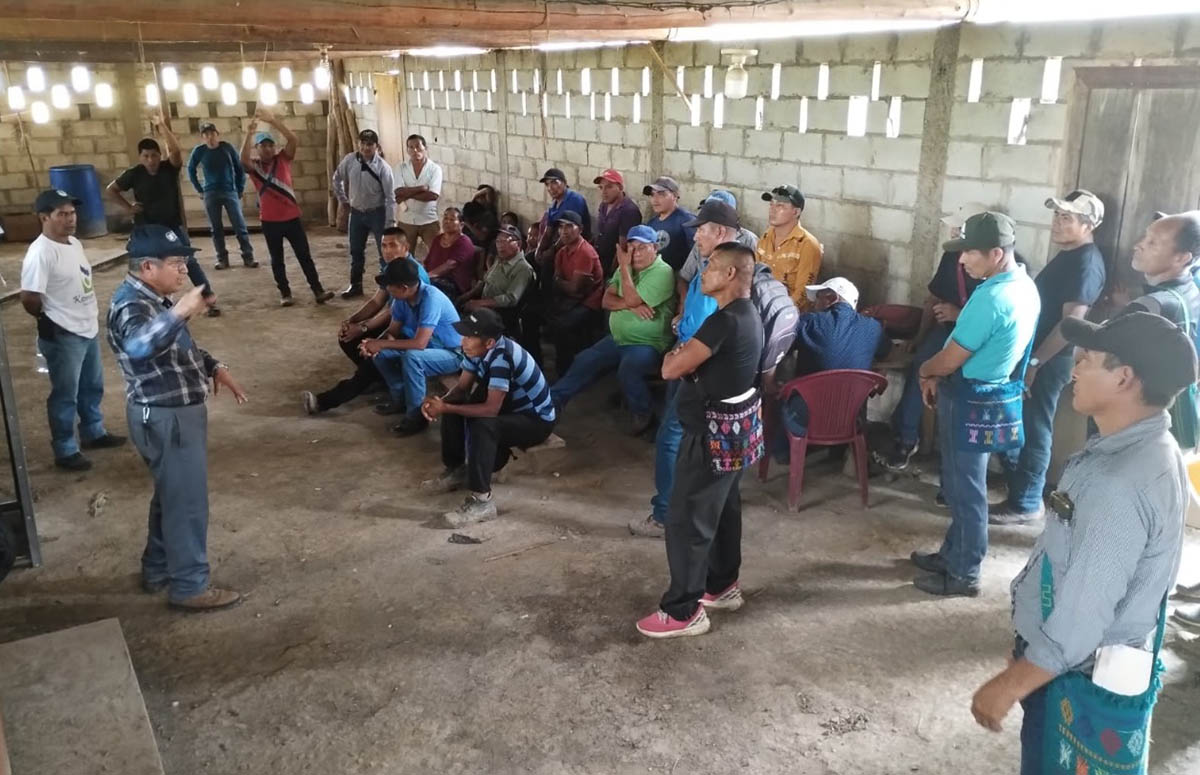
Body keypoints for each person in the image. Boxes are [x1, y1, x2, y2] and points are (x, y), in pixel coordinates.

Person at [970, 312, 1195, 775]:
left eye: (1087, 360)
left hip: (1073, 674)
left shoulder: (1119, 482)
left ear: (1124, 378)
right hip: (1077, 661)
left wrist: (1014, 681)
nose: (1074, 370)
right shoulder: (1153, 449)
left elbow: (1085, 610)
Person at [108, 224, 249, 612]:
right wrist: (182, 311)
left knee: (171, 496)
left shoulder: (153, 298)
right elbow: (140, 346)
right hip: (166, 417)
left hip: (172, 414)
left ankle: (157, 569)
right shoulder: (132, 305)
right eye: (176, 263)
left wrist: (212, 365)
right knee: (186, 504)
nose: (184, 270)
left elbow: (177, 347)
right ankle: (189, 586)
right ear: (147, 267)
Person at [635, 243, 764, 639]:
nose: (702, 274)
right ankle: (722, 585)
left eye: (710, 267)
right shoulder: (748, 314)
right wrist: (690, 361)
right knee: (722, 509)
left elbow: (670, 367)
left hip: (711, 435)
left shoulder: (721, 322)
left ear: (730, 274)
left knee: (687, 518)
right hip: (736, 430)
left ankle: (684, 609)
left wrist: (681, 357)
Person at [911, 212, 1039, 597]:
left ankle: (964, 573)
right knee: (962, 485)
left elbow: (951, 358)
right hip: (992, 392)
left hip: (968, 395)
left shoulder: (991, 297)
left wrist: (925, 371)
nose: (963, 260)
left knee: (964, 490)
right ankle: (952, 554)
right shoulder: (1024, 286)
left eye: (969, 253)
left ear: (996, 253)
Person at [631, 199, 757, 538]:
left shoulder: (723, 289)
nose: (696, 236)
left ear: (720, 232)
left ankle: (665, 515)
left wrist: (679, 353)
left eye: (701, 230)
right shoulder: (715, 271)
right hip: (696, 360)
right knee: (685, 443)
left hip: (696, 371)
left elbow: (682, 357)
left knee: (671, 438)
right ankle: (684, 513)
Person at [992, 190, 1107, 525]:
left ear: (1089, 225)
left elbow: (1071, 324)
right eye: (1056, 215)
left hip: (1051, 359)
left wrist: (1035, 362)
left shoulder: (1086, 263)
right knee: (1024, 423)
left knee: (1034, 426)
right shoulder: (1070, 255)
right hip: (1039, 355)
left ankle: (1026, 502)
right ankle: (1021, 492)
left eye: (1066, 218)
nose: (1057, 223)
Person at [879, 202, 991, 472]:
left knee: (956, 383)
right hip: (947, 329)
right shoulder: (952, 256)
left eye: (958, 229)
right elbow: (933, 298)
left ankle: (948, 463)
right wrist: (919, 337)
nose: (952, 233)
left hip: (976, 337)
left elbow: (989, 319)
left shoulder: (993, 266)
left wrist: (958, 314)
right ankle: (906, 438)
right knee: (921, 364)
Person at [19, 189, 126, 471]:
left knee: (91, 386)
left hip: (86, 328)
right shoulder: (41, 253)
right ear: (44, 217)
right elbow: (29, 297)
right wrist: (49, 318)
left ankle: (93, 432)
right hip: (63, 332)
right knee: (65, 393)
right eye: (62, 214)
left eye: (73, 213)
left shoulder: (74, 243)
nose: (70, 219)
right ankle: (65, 449)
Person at [420, 308, 557, 526]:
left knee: (484, 426)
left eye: (469, 337)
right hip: (509, 406)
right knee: (455, 404)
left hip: (535, 420)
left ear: (490, 342)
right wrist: (439, 403)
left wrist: (445, 407)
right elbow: (461, 389)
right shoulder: (476, 351)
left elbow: (491, 410)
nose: (463, 341)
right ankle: (457, 470)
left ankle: (482, 502)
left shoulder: (503, 357)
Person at [550, 225, 676, 434]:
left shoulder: (662, 272)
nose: (635, 253)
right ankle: (551, 402)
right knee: (584, 360)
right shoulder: (626, 268)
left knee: (629, 369)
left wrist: (625, 270)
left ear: (655, 248)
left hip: (647, 343)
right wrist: (631, 305)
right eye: (631, 248)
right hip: (617, 338)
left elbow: (630, 298)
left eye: (642, 247)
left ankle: (643, 413)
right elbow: (606, 301)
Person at [301, 229, 429, 415]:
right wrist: (352, 321)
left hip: (412, 330)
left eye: (393, 245)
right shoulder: (391, 267)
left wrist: (365, 330)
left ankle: (323, 402)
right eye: (384, 245)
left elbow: (392, 313)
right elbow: (377, 301)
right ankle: (379, 377)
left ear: (406, 247)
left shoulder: (412, 273)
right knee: (349, 338)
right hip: (397, 324)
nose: (387, 250)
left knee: (373, 355)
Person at [107, 110, 220, 317]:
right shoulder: (134, 174)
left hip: (171, 225)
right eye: (146, 156)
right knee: (147, 266)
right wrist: (128, 207)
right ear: (140, 157)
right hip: (146, 229)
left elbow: (176, 151)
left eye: (154, 155)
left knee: (188, 261)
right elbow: (111, 190)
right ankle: (151, 304)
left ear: (160, 156)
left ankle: (207, 297)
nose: (150, 160)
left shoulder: (169, 168)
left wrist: (161, 126)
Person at [240, 108, 334, 307]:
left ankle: (318, 290)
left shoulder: (282, 159)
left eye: (270, 145)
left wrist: (273, 121)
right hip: (270, 221)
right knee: (277, 259)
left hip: (292, 218)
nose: (267, 149)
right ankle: (285, 293)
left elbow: (293, 139)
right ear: (257, 148)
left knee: (304, 256)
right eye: (263, 146)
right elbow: (243, 160)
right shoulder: (255, 168)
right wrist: (249, 133)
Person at [778, 277, 890, 441]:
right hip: (851, 420)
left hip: (806, 421)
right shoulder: (873, 328)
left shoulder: (810, 322)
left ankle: (782, 451)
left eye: (818, 299)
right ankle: (840, 449)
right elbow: (886, 351)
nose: (814, 305)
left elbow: (782, 349)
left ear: (831, 298)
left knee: (775, 399)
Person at [367, 259, 463, 436]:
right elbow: (393, 332)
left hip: (452, 353)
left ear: (404, 288)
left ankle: (416, 418)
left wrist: (381, 343)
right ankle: (400, 400)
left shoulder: (431, 299)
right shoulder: (401, 299)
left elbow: (419, 343)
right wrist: (373, 345)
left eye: (390, 286)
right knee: (381, 354)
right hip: (428, 349)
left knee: (412, 357)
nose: (387, 289)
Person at [332, 129, 395, 299]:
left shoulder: (383, 168)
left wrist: (390, 222)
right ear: (358, 144)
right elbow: (337, 178)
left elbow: (390, 197)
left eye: (370, 144)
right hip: (357, 214)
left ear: (376, 146)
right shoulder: (349, 161)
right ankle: (355, 285)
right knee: (356, 251)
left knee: (384, 252)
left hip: (377, 213)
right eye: (363, 143)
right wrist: (343, 200)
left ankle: (387, 288)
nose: (366, 147)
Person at [187, 123, 257, 270]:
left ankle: (248, 257)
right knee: (216, 228)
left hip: (229, 191)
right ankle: (222, 259)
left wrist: (239, 188)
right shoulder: (199, 151)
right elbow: (191, 169)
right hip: (210, 193)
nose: (210, 137)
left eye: (212, 134)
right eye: (206, 135)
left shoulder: (227, 148)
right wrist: (199, 189)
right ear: (203, 137)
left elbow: (239, 168)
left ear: (217, 134)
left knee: (239, 226)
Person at [546, 210, 604, 376]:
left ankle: (566, 372)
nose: (564, 231)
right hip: (571, 300)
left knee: (562, 326)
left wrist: (562, 283)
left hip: (589, 302)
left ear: (580, 229)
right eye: (561, 227)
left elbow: (574, 288)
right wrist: (564, 284)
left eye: (569, 226)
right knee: (543, 315)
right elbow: (557, 283)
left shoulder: (585, 252)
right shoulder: (561, 252)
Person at [459, 224, 535, 334]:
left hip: (501, 315)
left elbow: (510, 299)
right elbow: (485, 281)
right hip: (484, 306)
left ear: (518, 244)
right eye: (498, 241)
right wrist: (467, 296)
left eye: (505, 241)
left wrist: (480, 303)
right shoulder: (500, 260)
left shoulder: (523, 269)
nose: (500, 245)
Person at [757, 185, 823, 308]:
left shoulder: (807, 245)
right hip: (762, 305)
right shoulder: (766, 237)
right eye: (771, 204)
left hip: (788, 311)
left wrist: (781, 313)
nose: (772, 210)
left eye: (780, 206)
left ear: (796, 212)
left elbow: (803, 294)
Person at [392, 133, 442, 257]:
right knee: (404, 256)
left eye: (418, 146)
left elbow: (433, 195)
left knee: (437, 255)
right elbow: (398, 191)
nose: (415, 150)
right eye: (411, 147)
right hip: (407, 219)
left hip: (429, 219)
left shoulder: (434, 169)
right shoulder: (401, 168)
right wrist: (421, 188)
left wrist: (407, 194)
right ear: (407, 150)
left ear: (425, 148)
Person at [592, 168, 642, 277]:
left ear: (620, 187)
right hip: (599, 260)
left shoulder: (629, 211)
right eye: (601, 187)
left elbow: (623, 247)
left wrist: (612, 274)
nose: (604, 191)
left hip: (613, 265)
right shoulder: (604, 205)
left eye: (609, 187)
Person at [424, 207, 479, 299]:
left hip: (454, 285)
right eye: (445, 218)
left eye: (452, 219)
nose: (447, 222)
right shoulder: (437, 239)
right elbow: (428, 261)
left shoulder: (464, 242)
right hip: (433, 278)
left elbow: (450, 265)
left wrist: (427, 277)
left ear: (461, 225)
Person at [643, 176, 695, 272]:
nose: (655, 200)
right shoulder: (651, 223)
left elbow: (697, 254)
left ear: (675, 196)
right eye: (652, 195)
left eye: (661, 194)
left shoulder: (687, 220)